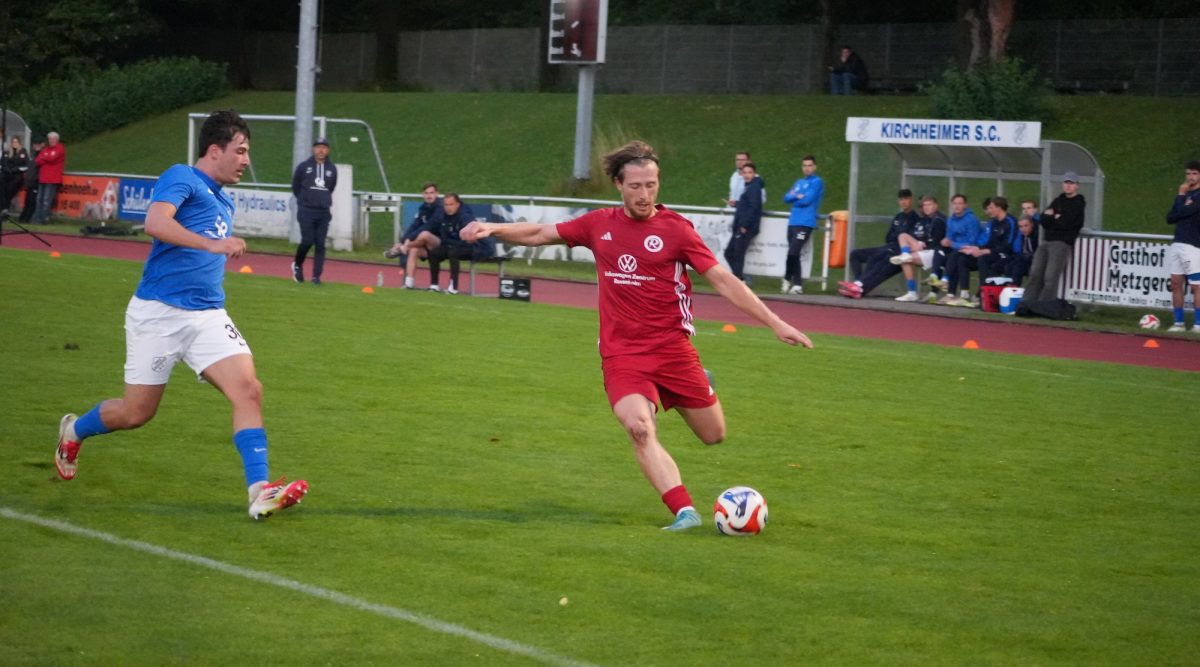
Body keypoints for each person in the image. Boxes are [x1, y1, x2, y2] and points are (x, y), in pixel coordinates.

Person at [459, 141, 812, 531]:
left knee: (714, 435)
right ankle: (685, 512)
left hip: (673, 350)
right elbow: (542, 232)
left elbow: (723, 281)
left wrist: (775, 322)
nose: (645, 195)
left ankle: (695, 385)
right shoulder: (599, 224)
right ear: (618, 185)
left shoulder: (677, 230)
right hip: (622, 354)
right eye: (636, 186)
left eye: (651, 185)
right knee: (639, 428)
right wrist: (495, 228)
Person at [53, 110, 309, 520]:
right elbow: (155, 223)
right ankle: (74, 430)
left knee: (249, 390)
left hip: (207, 315)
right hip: (158, 315)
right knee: (136, 413)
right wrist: (212, 246)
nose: (246, 160)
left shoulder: (224, 198)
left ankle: (260, 491)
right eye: (240, 151)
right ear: (214, 150)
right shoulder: (182, 177)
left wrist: (212, 248)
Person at [838, 189, 918, 299]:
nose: (903, 202)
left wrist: (897, 236)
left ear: (911, 200)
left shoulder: (915, 218)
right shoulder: (898, 217)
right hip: (888, 247)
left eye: (906, 199)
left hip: (898, 251)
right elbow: (888, 236)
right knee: (855, 254)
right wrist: (897, 235)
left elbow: (905, 237)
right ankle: (858, 283)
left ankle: (859, 286)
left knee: (876, 258)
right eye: (901, 199)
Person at [1023, 172, 1086, 302]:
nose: (1068, 186)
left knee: (1050, 276)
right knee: (1035, 273)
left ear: (1077, 186)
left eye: (1071, 183)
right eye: (1066, 183)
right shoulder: (1058, 200)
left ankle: (1043, 305)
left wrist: (1052, 217)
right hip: (1047, 240)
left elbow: (1066, 223)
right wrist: (1053, 217)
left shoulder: (1078, 203)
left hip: (1061, 242)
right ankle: (1027, 302)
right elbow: (1044, 221)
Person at [290, 136, 338, 285]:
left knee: (320, 243)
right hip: (306, 210)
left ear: (328, 150)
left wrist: (322, 199)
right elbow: (295, 186)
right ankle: (297, 265)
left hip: (323, 212)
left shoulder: (332, 169)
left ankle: (316, 276)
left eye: (324, 147)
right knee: (307, 240)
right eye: (318, 146)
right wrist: (305, 200)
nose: (321, 149)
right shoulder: (304, 167)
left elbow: (331, 187)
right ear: (313, 149)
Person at [888, 195, 948, 302]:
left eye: (929, 205)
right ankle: (912, 292)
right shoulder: (924, 219)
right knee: (902, 237)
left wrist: (921, 244)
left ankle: (912, 292)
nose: (926, 207)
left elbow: (936, 242)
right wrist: (918, 244)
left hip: (936, 253)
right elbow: (916, 235)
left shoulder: (940, 220)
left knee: (906, 260)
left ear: (936, 206)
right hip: (924, 249)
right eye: (924, 205)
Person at [1164, 160, 1200, 333]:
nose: (1190, 177)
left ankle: (1198, 324)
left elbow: (1184, 212)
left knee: (1196, 286)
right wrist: (1180, 198)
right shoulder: (1184, 194)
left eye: (1194, 173)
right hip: (1178, 243)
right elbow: (1170, 217)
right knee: (1176, 284)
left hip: (1193, 245)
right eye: (1188, 174)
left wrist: (1180, 196)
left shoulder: (1197, 195)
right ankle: (1178, 323)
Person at [424, 192, 484, 294]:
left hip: (473, 247)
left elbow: (471, 237)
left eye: (451, 204)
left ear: (457, 204)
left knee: (453, 252)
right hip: (453, 246)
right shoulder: (443, 217)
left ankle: (453, 287)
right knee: (434, 252)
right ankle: (434, 285)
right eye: (446, 205)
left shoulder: (465, 217)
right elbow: (443, 236)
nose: (448, 208)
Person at [782, 155, 823, 294]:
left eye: (810, 165)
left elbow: (807, 200)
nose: (807, 168)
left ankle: (796, 283)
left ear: (814, 167)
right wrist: (797, 196)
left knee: (794, 252)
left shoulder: (817, 182)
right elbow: (786, 197)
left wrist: (796, 198)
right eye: (805, 165)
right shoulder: (799, 182)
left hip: (805, 222)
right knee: (791, 253)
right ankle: (790, 280)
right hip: (793, 221)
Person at [937, 194, 983, 306]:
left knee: (957, 257)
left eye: (960, 203)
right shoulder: (951, 219)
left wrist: (953, 244)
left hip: (973, 251)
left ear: (965, 205)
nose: (957, 206)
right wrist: (946, 242)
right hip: (956, 249)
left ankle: (947, 283)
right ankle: (948, 292)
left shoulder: (971, 219)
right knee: (939, 252)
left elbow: (972, 243)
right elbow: (949, 238)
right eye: (955, 203)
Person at [384, 181, 443, 268]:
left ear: (437, 194)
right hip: (423, 242)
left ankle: (402, 247)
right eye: (426, 193)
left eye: (431, 193)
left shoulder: (440, 208)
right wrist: (403, 240)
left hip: (440, 242)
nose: (429, 196)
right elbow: (414, 225)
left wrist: (409, 239)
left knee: (424, 234)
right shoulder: (423, 208)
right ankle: (408, 280)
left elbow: (429, 226)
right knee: (413, 248)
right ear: (423, 194)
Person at [724, 162, 763, 282]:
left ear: (754, 174)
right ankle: (740, 278)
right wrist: (737, 203)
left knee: (736, 254)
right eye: (745, 172)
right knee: (730, 253)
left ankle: (740, 281)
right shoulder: (749, 186)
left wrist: (744, 225)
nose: (747, 175)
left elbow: (753, 206)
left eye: (749, 172)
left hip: (745, 227)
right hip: (740, 225)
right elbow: (747, 204)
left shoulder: (754, 187)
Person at [975, 196, 1018, 283]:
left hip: (1007, 253)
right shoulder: (994, 221)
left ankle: (985, 290)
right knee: (963, 259)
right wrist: (978, 249)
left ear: (999, 208)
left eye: (991, 207)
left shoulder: (1010, 221)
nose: (989, 210)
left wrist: (990, 251)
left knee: (985, 260)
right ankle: (982, 290)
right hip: (995, 252)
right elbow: (991, 242)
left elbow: (1008, 245)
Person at [33, 131, 65, 224]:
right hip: (43, 178)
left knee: (47, 200)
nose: (51, 140)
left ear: (57, 139)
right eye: (50, 139)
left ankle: (43, 218)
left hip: (52, 179)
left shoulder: (60, 148)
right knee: (39, 199)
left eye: (53, 138)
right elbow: (38, 161)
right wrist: (46, 157)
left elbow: (52, 158)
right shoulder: (46, 149)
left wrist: (44, 157)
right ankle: (37, 218)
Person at [1006, 214, 1039, 285]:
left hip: (1035, 262)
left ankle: (1014, 289)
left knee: (1017, 268)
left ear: (1032, 225)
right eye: (1020, 227)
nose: (1023, 229)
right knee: (1008, 266)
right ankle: (1008, 289)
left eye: (1026, 226)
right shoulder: (1024, 235)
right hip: (1025, 259)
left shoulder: (1037, 236)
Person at [18, 137, 44, 222]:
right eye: (35, 144)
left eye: (38, 144)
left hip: (36, 182)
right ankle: (23, 218)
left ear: (42, 145)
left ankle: (28, 218)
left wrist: (37, 178)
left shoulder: (42, 155)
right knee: (27, 201)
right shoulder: (32, 155)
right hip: (29, 182)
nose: (36, 146)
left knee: (32, 201)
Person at [2, 136, 30, 212]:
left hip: (16, 177)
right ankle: (4, 209)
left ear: (19, 143)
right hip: (6, 176)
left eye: (16, 142)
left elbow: (26, 166)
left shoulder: (23, 152)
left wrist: (16, 169)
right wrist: (6, 168)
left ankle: (5, 210)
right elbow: (3, 162)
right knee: (3, 193)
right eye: (13, 142)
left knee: (9, 194)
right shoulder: (7, 152)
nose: (14, 143)